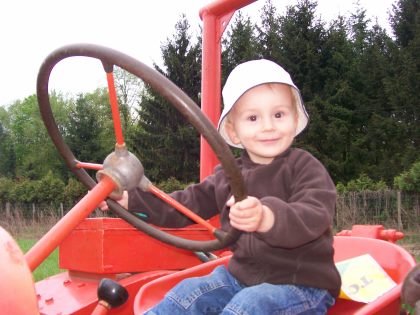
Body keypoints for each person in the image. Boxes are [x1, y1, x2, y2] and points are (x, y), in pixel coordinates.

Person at [119, 59, 341, 314]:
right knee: (185, 295)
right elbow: (184, 204)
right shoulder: (227, 175)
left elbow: (314, 214)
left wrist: (267, 217)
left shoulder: (304, 166)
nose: (268, 126)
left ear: (294, 120)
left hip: (303, 284)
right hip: (240, 278)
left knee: (247, 307)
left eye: (279, 114)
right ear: (233, 132)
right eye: (253, 118)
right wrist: (130, 200)